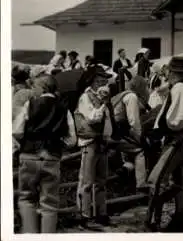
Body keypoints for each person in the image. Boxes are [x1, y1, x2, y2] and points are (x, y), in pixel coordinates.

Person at [13, 75, 77, 233]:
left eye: (34, 86)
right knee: (49, 203)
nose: (33, 90)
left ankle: (30, 233)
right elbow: (72, 140)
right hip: (51, 158)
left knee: (27, 198)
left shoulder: (30, 104)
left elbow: (17, 131)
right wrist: (56, 144)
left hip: (29, 156)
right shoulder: (63, 108)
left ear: (43, 87)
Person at [151, 57, 183, 232]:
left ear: (175, 73)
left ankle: (156, 220)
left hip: (176, 137)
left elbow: (179, 117)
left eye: (169, 72)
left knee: (158, 178)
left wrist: (166, 126)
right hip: (180, 137)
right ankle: (181, 217)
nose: (167, 75)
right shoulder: (177, 88)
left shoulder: (180, 88)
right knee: (180, 180)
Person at [73, 65, 114, 227]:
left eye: (105, 80)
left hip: (101, 142)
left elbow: (108, 121)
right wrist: (103, 104)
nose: (104, 83)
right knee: (87, 181)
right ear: (94, 81)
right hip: (89, 142)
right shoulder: (86, 97)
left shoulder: (102, 97)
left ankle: (101, 213)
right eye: (101, 80)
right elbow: (92, 118)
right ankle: (83, 214)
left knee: (101, 181)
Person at [111, 76, 150, 193]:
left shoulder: (122, 94)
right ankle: (141, 185)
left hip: (116, 132)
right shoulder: (132, 97)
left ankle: (125, 170)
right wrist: (140, 138)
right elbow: (134, 121)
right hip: (119, 132)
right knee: (140, 150)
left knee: (128, 152)